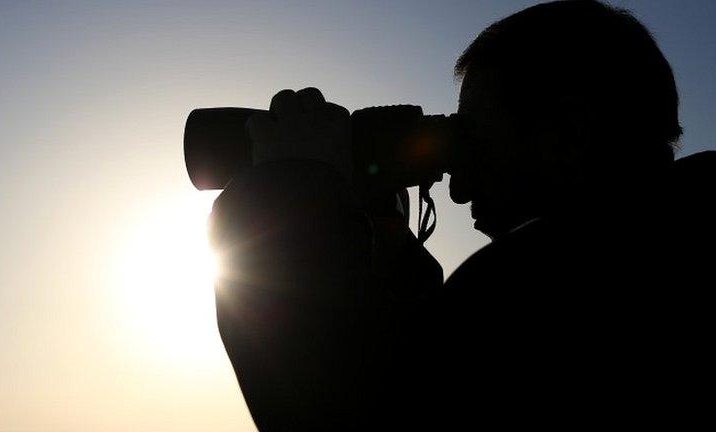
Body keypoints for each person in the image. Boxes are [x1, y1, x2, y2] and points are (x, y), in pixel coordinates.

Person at [209, 0, 715, 429]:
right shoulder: (656, 244)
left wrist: (287, 190)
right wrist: (388, 246)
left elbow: (352, 412)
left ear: (567, 135)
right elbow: (442, 371)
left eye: (473, 140)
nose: (460, 188)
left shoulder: (559, 278)